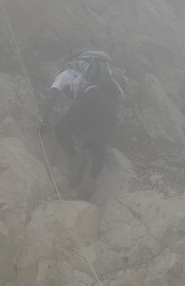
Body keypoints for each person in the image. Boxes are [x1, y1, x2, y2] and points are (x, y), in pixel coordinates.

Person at [43, 51, 125, 192]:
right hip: (111, 103)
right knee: (97, 146)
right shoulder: (92, 74)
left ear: (58, 71)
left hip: (91, 96)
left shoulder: (65, 74)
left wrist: (43, 119)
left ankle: (75, 160)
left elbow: (52, 95)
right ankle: (90, 182)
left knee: (62, 128)